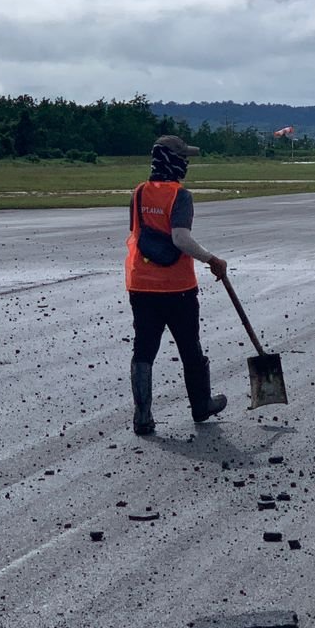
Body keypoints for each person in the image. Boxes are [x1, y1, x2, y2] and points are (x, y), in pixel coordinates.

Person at [124, 135, 229, 436]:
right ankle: (201, 405)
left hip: (141, 285)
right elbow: (180, 238)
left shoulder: (139, 193)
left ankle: (142, 416)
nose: (187, 163)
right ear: (174, 160)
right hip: (177, 288)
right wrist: (212, 260)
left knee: (144, 348)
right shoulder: (180, 196)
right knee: (189, 347)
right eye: (184, 158)